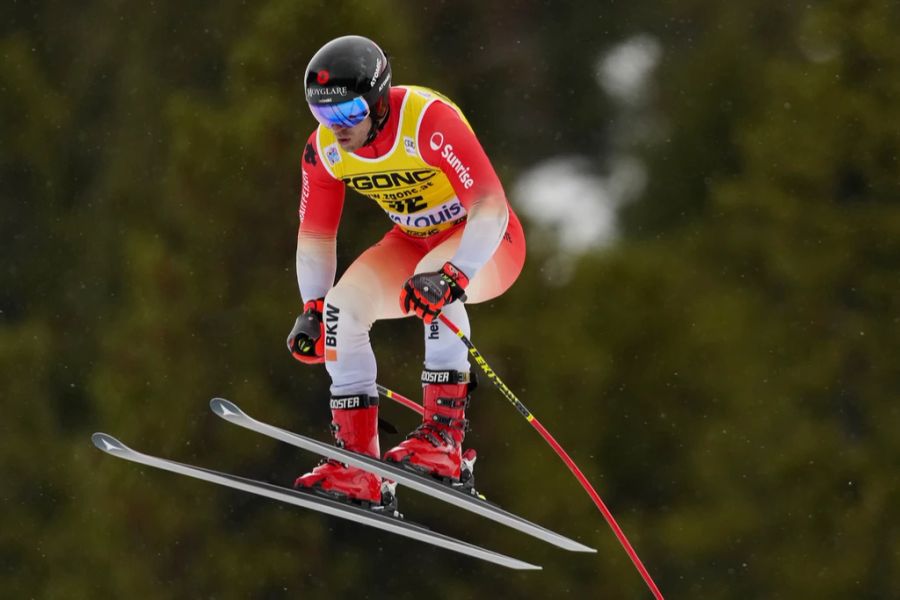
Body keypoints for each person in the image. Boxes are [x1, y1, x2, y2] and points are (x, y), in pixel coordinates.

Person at [286, 35, 526, 507]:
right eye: (322, 115)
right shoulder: (325, 153)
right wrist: (313, 307)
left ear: (378, 102)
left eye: (348, 113)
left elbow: (491, 207)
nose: (336, 128)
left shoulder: (426, 121)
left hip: (487, 241)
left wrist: (456, 273)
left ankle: (445, 442)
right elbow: (314, 236)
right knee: (343, 309)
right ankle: (359, 467)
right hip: (412, 243)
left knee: (433, 283)